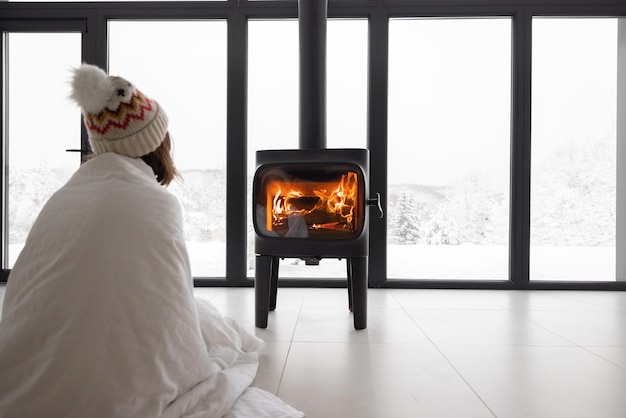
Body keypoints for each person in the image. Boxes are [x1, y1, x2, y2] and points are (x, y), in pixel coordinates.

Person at [0, 64, 303, 418]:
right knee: (207, 321)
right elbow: (171, 318)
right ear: (154, 142)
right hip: (109, 389)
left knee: (203, 314)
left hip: (21, 375)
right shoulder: (157, 204)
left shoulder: (63, 198)